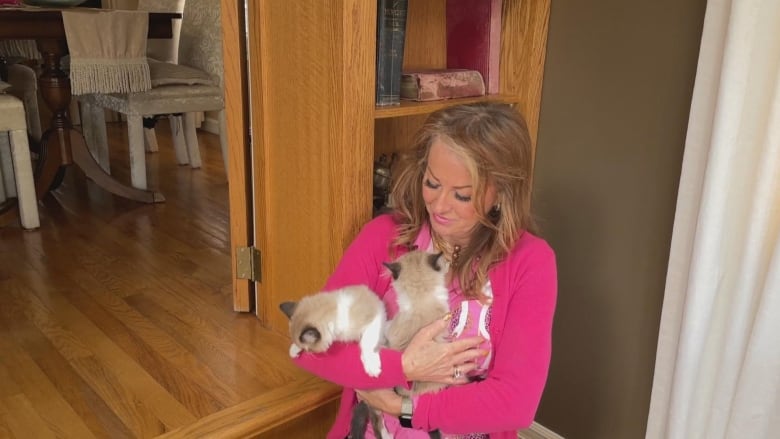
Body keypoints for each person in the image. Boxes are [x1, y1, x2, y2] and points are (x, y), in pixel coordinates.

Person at [292, 102, 557, 438]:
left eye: (462, 195)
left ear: (501, 193)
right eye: (432, 183)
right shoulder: (383, 237)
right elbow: (308, 346)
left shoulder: (530, 262)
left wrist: (405, 409)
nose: (440, 205)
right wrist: (402, 367)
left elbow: (516, 402)